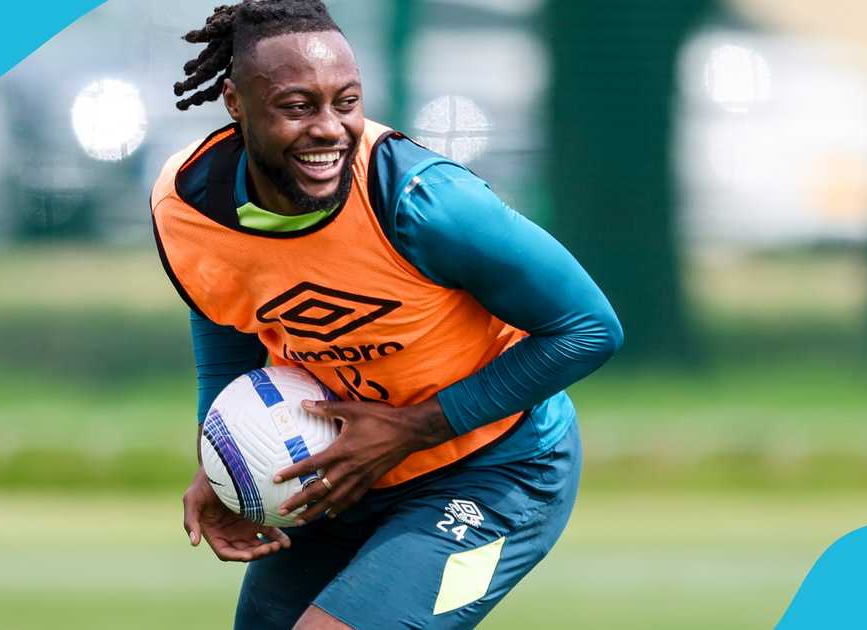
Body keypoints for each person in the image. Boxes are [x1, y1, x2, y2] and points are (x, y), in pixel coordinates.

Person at [149, 2, 623, 628]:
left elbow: (589, 329)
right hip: (340, 474)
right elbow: (221, 312)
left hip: (499, 471)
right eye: (297, 107)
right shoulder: (190, 208)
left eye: (346, 102)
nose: (330, 129)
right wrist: (225, 461)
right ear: (235, 103)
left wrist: (413, 428)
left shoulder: (424, 203)